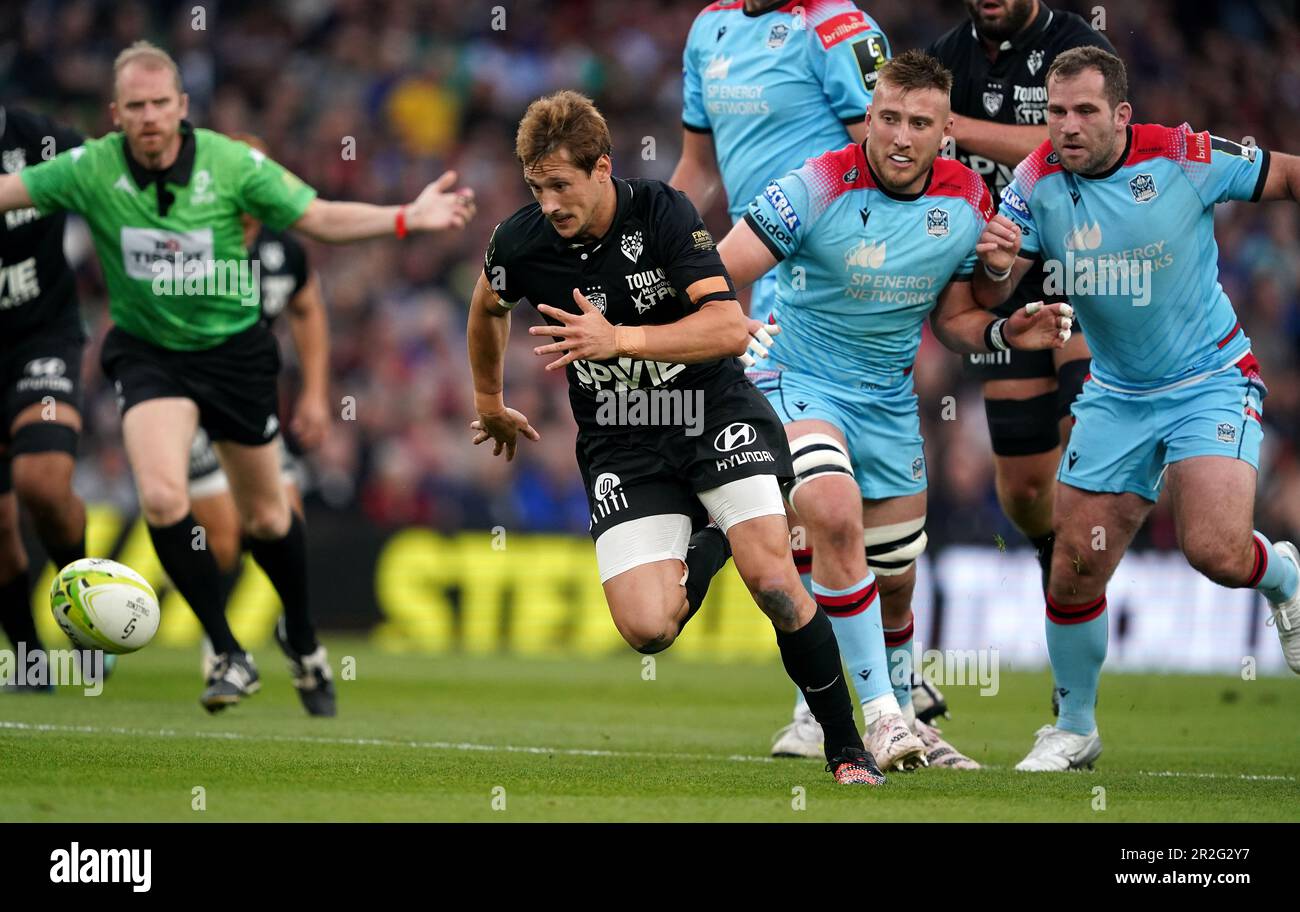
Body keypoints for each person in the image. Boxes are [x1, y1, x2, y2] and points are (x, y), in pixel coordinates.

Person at [0, 41, 476, 713]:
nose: (149, 118)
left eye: (161, 104)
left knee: (269, 517)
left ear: (182, 107)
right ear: (116, 114)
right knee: (165, 500)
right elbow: (8, 193)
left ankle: (305, 642)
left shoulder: (232, 165)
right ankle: (227, 650)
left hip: (234, 359)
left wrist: (407, 216)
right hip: (148, 356)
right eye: (134, 107)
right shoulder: (89, 167)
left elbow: (319, 217)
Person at [468, 89, 884, 784]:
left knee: (775, 582)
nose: (549, 203)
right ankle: (712, 534)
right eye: (536, 187)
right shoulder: (520, 240)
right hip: (624, 442)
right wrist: (488, 400)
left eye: (561, 185)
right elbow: (487, 304)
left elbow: (728, 327)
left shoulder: (662, 212)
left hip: (712, 415)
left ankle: (847, 749)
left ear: (602, 168)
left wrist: (618, 338)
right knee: (648, 629)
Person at [717, 50, 1073, 769]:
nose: (900, 137)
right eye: (887, 118)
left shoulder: (968, 198)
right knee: (831, 511)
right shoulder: (814, 184)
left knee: (897, 579)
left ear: (945, 131)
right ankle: (876, 718)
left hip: (885, 399)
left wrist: (1007, 321)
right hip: (794, 374)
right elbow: (721, 271)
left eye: (918, 123)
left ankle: (907, 709)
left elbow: (956, 318)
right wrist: (707, 337)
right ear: (869, 117)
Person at [973, 46, 1300, 770]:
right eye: (1056, 113)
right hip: (1117, 395)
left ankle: (1283, 577)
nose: (1068, 127)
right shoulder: (1036, 182)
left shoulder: (1183, 155)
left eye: (1085, 111)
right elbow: (996, 291)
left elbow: (1284, 174)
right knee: (1073, 569)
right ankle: (1076, 728)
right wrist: (996, 262)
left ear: (1121, 114)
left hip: (1209, 379)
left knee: (1214, 551)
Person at [670, 0, 900, 757]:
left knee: (836, 500)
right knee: (807, 493)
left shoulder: (836, 25)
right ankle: (865, 689)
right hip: (747, 267)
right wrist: (659, 248)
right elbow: (699, 169)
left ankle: (864, 686)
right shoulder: (710, 28)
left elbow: (893, 145)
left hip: (821, 275)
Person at [929, 0, 1117, 717]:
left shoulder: (1078, 42)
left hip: (1083, 263)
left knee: (1090, 440)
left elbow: (1079, 144)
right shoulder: (949, 55)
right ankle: (1059, 555)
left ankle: (1098, 545)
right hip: (1002, 280)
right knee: (1025, 492)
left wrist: (965, 128)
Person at [188, 132, 333, 715]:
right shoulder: (185, 243)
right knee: (223, 536)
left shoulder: (284, 252)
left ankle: (301, 644)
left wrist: (318, 395)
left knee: (281, 525)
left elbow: (307, 308)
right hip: (188, 408)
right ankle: (222, 649)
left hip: (252, 407)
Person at [0, 105, 90, 692]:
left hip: (41, 338)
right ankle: (31, 662)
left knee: (42, 483)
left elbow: (112, 180)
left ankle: (91, 622)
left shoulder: (42, 139)